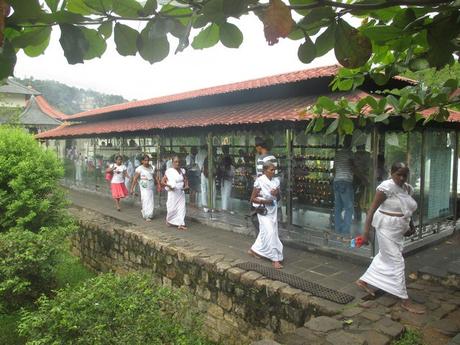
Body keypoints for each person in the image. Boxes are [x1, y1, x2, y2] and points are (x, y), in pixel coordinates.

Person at [357, 162, 425, 314]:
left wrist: (411, 227)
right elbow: (371, 210)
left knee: (384, 256)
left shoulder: (407, 188)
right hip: (385, 228)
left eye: (404, 175)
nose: (401, 178)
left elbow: (407, 210)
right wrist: (365, 233)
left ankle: (363, 280)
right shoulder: (385, 188)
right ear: (391, 173)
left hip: (399, 228)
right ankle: (405, 300)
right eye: (398, 175)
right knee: (396, 260)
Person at [248, 162, 283, 269]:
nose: (273, 172)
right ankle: (275, 258)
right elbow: (252, 199)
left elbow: (278, 198)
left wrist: (276, 193)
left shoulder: (276, 181)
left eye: (274, 170)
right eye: (271, 170)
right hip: (264, 211)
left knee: (265, 232)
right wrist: (266, 201)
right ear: (265, 170)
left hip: (273, 210)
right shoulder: (260, 181)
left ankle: (254, 250)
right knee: (271, 232)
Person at [333, 135, 356, 240]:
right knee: (349, 208)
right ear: (351, 143)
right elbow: (353, 167)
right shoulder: (349, 154)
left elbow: (334, 169)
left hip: (336, 181)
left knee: (338, 207)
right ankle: (345, 231)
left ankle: (338, 229)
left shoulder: (337, 154)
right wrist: (364, 178)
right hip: (346, 182)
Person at [162, 155, 188, 230]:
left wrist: (186, 185)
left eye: (178, 162)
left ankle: (181, 223)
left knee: (182, 208)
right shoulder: (169, 171)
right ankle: (169, 220)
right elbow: (162, 182)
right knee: (172, 208)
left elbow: (185, 179)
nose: (177, 163)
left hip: (180, 192)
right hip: (173, 192)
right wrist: (169, 185)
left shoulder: (182, 171)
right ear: (172, 163)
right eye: (176, 162)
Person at [130, 154, 157, 222]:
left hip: (151, 186)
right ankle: (146, 215)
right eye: (145, 160)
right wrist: (132, 188)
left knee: (151, 200)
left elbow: (155, 176)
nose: (147, 162)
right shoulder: (139, 169)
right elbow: (135, 179)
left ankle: (150, 214)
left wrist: (158, 184)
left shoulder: (151, 167)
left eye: (148, 160)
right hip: (144, 186)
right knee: (145, 200)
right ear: (142, 161)